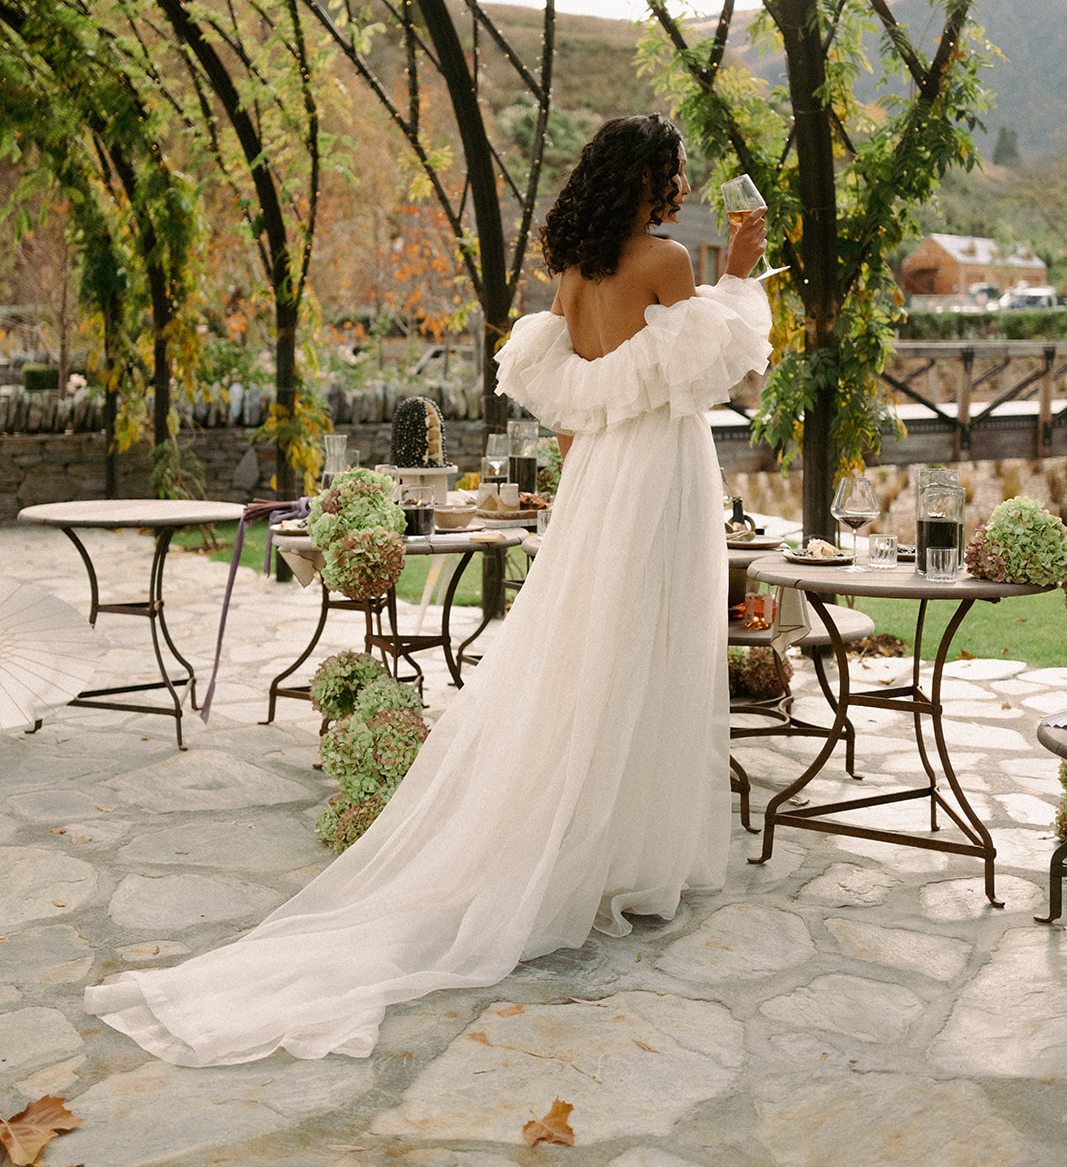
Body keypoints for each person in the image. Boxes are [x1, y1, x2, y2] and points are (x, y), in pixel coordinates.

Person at [84, 114, 771, 1066]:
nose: (679, 189)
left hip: (604, 479)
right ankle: (629, 857)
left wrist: (576, 504)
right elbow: (716, 371)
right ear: (653, 179)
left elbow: (576, 411)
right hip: (660, 476)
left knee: (592, 648)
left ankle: (592, 837)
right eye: (674, 174)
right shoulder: (665, 263)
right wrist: (741, 262)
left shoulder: (570, 278)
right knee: (652, 646)